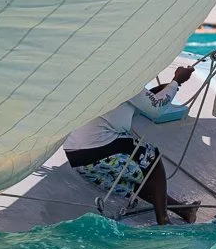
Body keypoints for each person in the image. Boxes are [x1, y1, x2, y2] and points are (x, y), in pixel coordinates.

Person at [61, 63, 202, 225]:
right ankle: (163, 220)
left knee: (134, 180)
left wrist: (168, 87)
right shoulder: (126, 81)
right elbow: (156, 108)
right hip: (99, 147)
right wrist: (177, 81)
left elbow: (142, 100)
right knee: (152, 158)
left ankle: (183, 210)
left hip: (76, 156)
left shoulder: (103, 79)